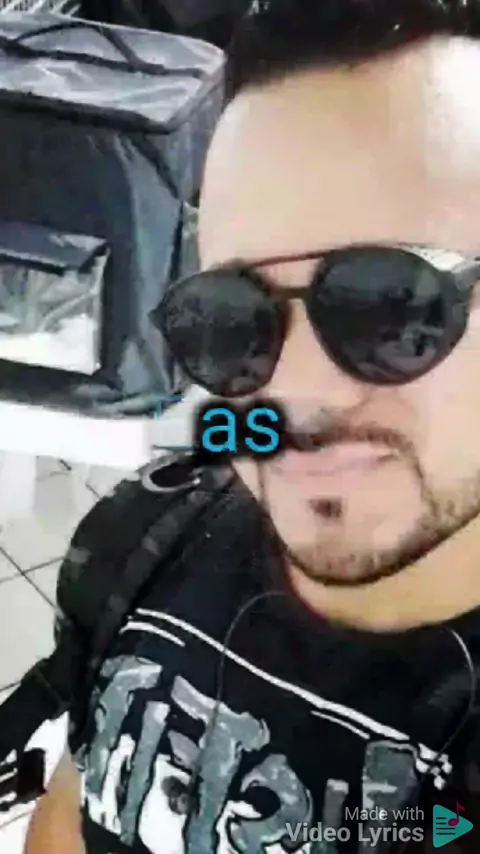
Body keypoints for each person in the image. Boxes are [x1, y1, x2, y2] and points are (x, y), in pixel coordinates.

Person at [24, 1, 480, 851]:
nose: (293, 393)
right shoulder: (145, 537)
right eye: (232, 318)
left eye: (393, 305)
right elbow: (77, 799)